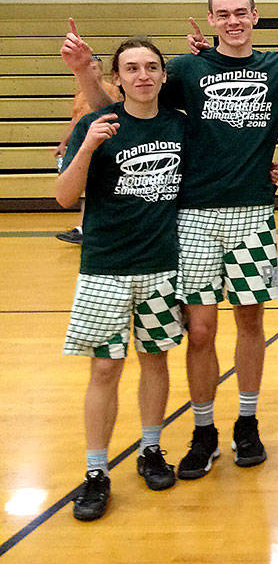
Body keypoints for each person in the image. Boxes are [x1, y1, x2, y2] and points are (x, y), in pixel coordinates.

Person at [63, 0, 278, 478]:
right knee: (201, 331)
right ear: (210, 20)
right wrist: (86, 72)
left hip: (252, 213)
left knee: (251, 322)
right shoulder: (187, 69)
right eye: (222, 14)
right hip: (192, 217)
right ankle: (204, 428)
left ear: (255, 16)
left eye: (240, 12)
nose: (233, 21)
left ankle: (248, 422)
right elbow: (125, 103)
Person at [55, 38, 187, 521]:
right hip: (105, 268)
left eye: (151, 67)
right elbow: (64, 198)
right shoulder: (97, 124)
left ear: (163, 75)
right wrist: (86, 145)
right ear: (118, 76)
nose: (143, 75)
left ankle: (150, 449)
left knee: (155, 361)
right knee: (105, 370)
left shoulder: (179, 125)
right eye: (131, 68)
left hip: (161, 266)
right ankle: (96, 471)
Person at [54, 52, 121, 245]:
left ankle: (88, 227)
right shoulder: (80, 94)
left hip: (106, 141)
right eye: (88, 66)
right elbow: (75, 120)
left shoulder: (111, 90)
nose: (91, 69)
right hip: (84, 142)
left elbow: (115, 110)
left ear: (101, 70)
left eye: (94, 66)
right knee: (80, 187)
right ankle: (84, 227)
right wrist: (64, 142)